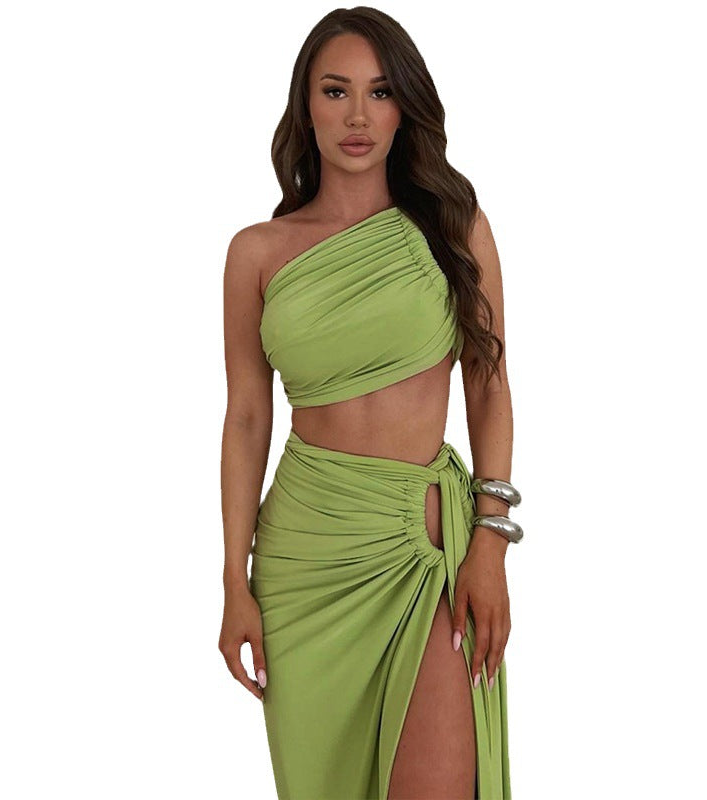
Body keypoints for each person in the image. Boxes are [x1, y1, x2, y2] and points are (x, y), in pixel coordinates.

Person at [219, 8, 519, 799]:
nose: (358, 115)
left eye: (380, 92)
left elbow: (488, 381)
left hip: (424, 546)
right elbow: (247, 416)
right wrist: (233, 579)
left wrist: (490, 542)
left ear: (404, 106)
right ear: (305, 105)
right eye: (336, 91)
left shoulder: (453, 227)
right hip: (305, 557)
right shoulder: (256, 253)